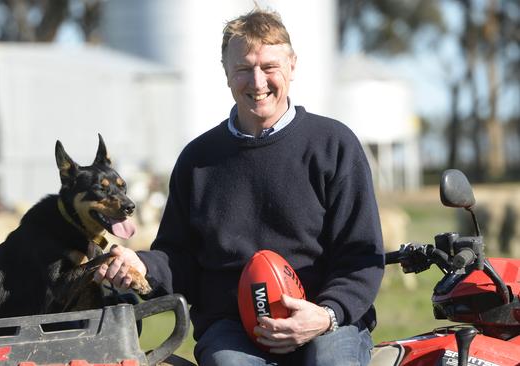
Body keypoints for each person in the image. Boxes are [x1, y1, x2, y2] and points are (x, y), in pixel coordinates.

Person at [95, 7, 384, 366]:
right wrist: (142, 264)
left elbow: (361, 255)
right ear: (226, 72)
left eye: (269, 67)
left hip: (324, 321)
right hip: (231, 326)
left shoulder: (334, 145)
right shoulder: (198, 160)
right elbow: (178, 258)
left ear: (292, 65)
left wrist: (326, 315)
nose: (258, 82)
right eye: (244, 69)